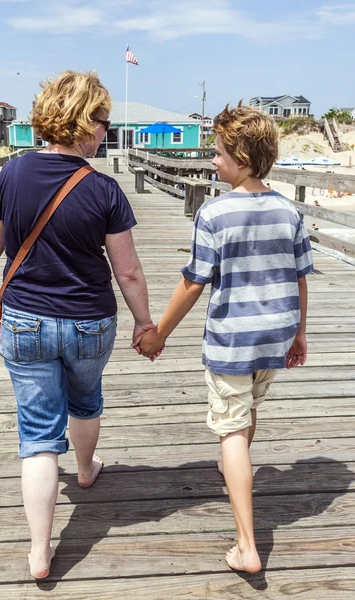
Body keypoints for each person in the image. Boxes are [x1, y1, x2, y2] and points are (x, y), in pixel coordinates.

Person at [0, 70, 157, 580]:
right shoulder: (105, 189)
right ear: (82, 122)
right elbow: (128, 269)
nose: (105, 132)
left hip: (24, 320)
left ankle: (40, 551)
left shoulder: (13, 174)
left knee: (38, 434)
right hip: (90, 321)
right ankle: (86, 470)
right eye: (103, 122)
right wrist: (145, 322)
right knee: (86, 400)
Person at [134, 103, 313, 573]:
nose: (213, 161)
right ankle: (234, 463)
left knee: (230, 428)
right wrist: (300, 335)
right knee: (247, 407)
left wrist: (158, 335)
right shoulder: (288, 211)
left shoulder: (213, 212)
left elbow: (194, 283)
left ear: (242, 158)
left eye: (218, 154)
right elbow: (300, 279)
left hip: (232, 339)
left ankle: (246, 545)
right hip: (274, 336)